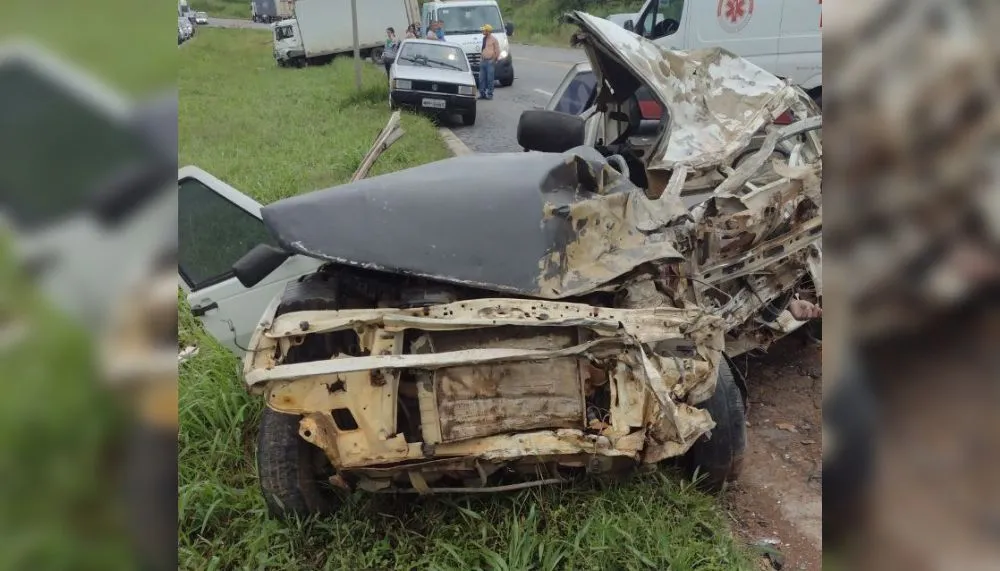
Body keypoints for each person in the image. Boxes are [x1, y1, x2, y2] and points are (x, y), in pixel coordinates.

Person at [478, 23, 500, 100]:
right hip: (483, 61)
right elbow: (483, 49)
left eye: (484, 30)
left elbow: (497, 51)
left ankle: (490, 94)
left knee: (490, 79)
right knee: (481, 79)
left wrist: (493, 60)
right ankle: (482, 93)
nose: (482, 31)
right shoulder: (484, 39)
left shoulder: (494, 40)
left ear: (488, 31)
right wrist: (481, 59)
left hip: (490, 61)